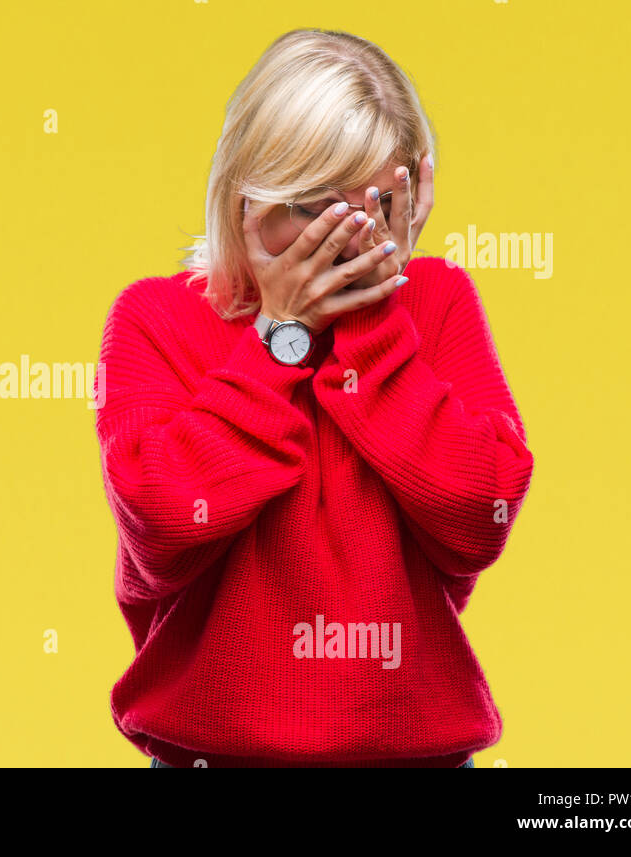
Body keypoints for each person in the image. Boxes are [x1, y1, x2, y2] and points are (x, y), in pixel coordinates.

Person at [93, 28, 535, 768]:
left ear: (416, 189)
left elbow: (479, 513)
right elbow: (162, 526)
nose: (345, 240)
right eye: (313, 209)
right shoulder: (155, 319)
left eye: (371, 209)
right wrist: (280, 337)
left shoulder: (437, 304)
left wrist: (371, 315)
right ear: (244, 197)